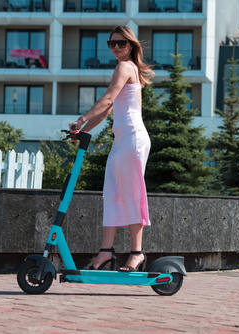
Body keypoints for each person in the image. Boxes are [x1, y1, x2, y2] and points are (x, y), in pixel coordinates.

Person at [69, 25, 154, 272]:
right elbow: (107, 109)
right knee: (112, 193)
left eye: (121, 43)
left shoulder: (125, 67)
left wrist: (81, 119)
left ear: (131, 46)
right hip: (123, 140)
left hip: (132, 139)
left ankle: (137, 253)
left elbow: (106, 99)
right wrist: (83, 131)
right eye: (112, 44)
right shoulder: (126, 68)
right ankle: (106, 251)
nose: (116, 47)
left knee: (131, 193)